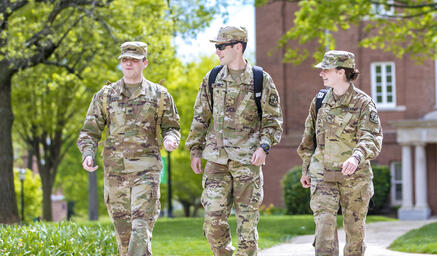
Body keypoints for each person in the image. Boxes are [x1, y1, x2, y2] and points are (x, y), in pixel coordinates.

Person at [186, 25, 283, 256]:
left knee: (247, 227)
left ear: (238, 47)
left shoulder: (261, 79)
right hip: (215, 160)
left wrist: (264, 147)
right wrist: (195, 150)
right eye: (216, 46)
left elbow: (273, 121)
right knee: (212, 222)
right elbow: (200, 117)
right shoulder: (212, 78)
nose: (217, 51)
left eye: (221, 46)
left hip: (247, 162)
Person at [77, 41, 181, 256]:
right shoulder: (105, 95)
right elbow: (89, 131)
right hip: (116, 174)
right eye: (125, 59)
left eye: (134, 59)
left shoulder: (159, 95)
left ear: (145, 63)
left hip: (147, 171)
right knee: (125, 242)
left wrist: (171, 139)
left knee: (141, 229)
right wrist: (88, 153)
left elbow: (172, 127)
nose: (128, 63)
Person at [297, 50, 383, 256]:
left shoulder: (363, 103)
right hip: (323, 176)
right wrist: (306, 169)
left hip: (354, 178)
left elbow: (371, 136)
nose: (321, 74)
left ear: (341, 72)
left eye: (326, 69)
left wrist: (356, 156)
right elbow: (309, 139)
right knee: (324, 232)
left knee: (355, 238)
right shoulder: (319, 101)